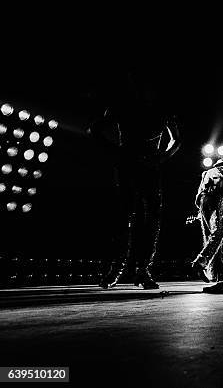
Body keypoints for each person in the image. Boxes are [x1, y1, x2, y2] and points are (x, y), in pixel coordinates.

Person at [88, 70, 181, 290]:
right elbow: (94, 129)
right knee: (123, 217)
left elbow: (176, 140)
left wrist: (162, 157)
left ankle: (142, 270)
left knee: (151, 219)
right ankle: (116, 269)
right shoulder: (122, 105)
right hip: (128, 166)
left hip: (149, 168)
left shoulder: (162, 109)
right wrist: (118, 152)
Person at [191, 156, 223, 282]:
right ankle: (201, 262)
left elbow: (200, 194)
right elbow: (220, 184)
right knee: (218, 233)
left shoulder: (208, 172)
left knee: (210, 237)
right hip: (216, 198)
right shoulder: (220, 172)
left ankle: (212, 273)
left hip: (203, 201)